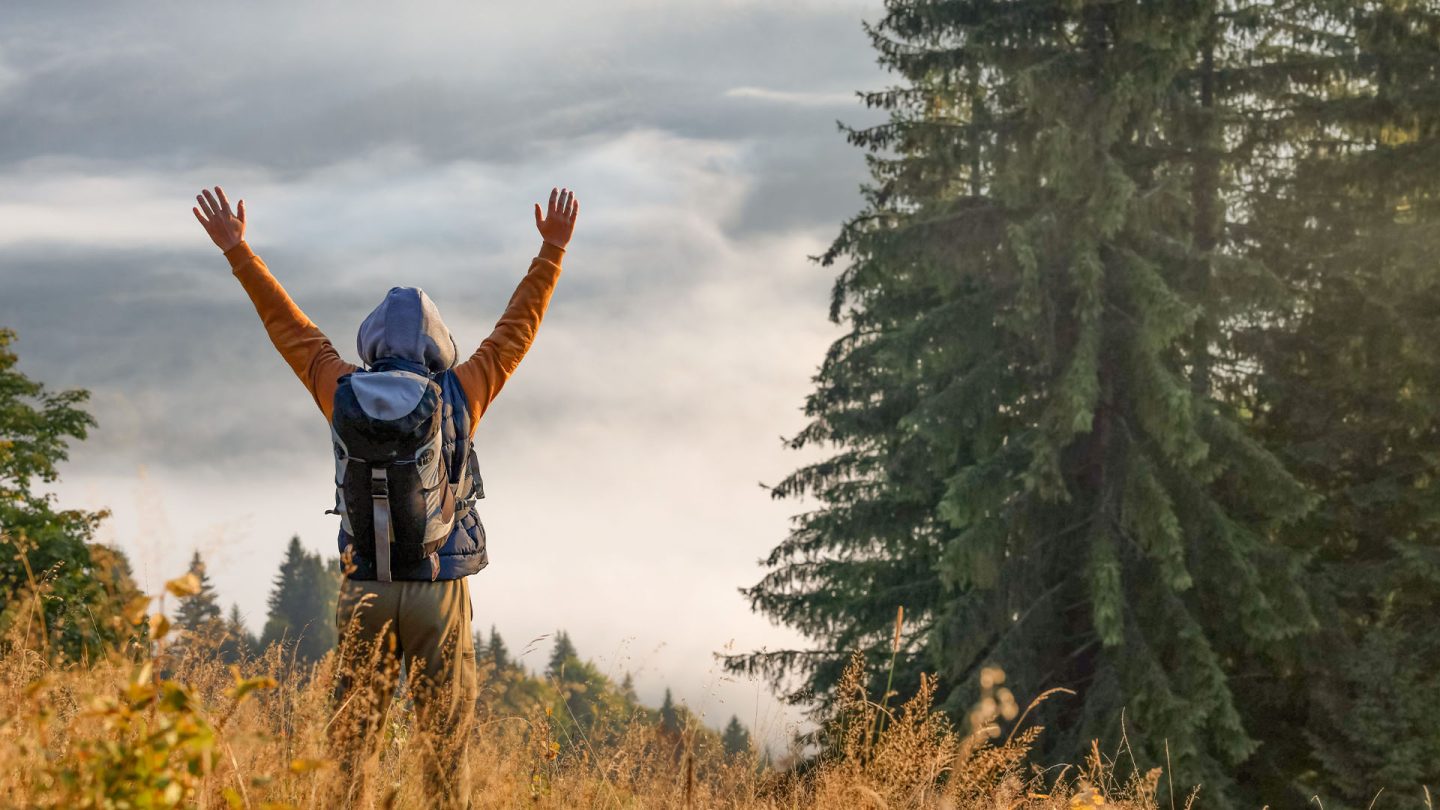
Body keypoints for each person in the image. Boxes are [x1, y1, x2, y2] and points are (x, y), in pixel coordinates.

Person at [192, 183, 578, 808]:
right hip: (438, 584)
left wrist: (239, 251)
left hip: (365, 582)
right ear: (440, 346)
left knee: (351, 743)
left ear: (371, 341)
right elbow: (515, 334)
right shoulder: (462, 391)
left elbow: (287, 327)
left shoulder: (338, 385)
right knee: (444, 749)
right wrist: (551, 252)